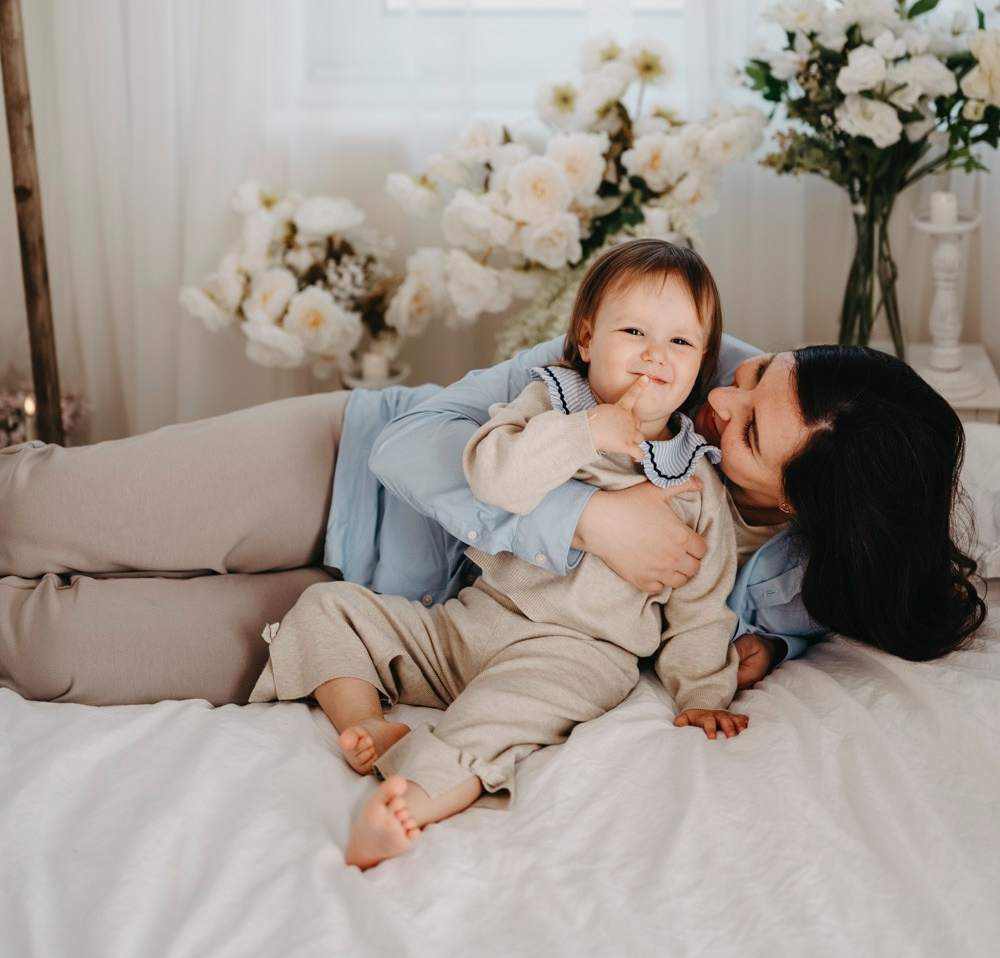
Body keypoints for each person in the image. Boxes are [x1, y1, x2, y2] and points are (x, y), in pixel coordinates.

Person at [0, 242, 985, 705]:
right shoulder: (666, 355)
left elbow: (806, 615)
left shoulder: (806, 576)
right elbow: (410, 448)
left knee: (57, 654)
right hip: (343, 469)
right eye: (763, 372)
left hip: (399, 627)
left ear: (806, 506)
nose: (722, 399)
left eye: (752, 432)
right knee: (31, 511)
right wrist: (589, 523)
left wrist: (762, 657)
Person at [248, 241, 752, 869]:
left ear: (702, 363)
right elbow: (496, 480)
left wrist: (704, 692)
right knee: (330, 606)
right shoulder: (548, 405)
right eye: (633, 331)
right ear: (588, 338)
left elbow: (703, 607)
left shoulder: (697, 480)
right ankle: (367, 720)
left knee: (495, 721)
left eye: (681, 342)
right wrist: (585, 433)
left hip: (577, 654)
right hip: (476, 621)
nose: (655, 353)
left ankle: (415, 799)